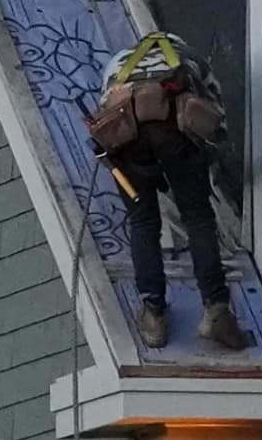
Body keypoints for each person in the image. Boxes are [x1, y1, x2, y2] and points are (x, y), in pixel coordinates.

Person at [86, 31, 250, 351]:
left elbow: (105, 113)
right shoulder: (191, 60)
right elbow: (217, 121)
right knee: (198, 217)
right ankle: (216, 311)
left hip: (129, 137)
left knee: (143, 221)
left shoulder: (117, 65)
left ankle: (153, 314)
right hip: (178, 135)